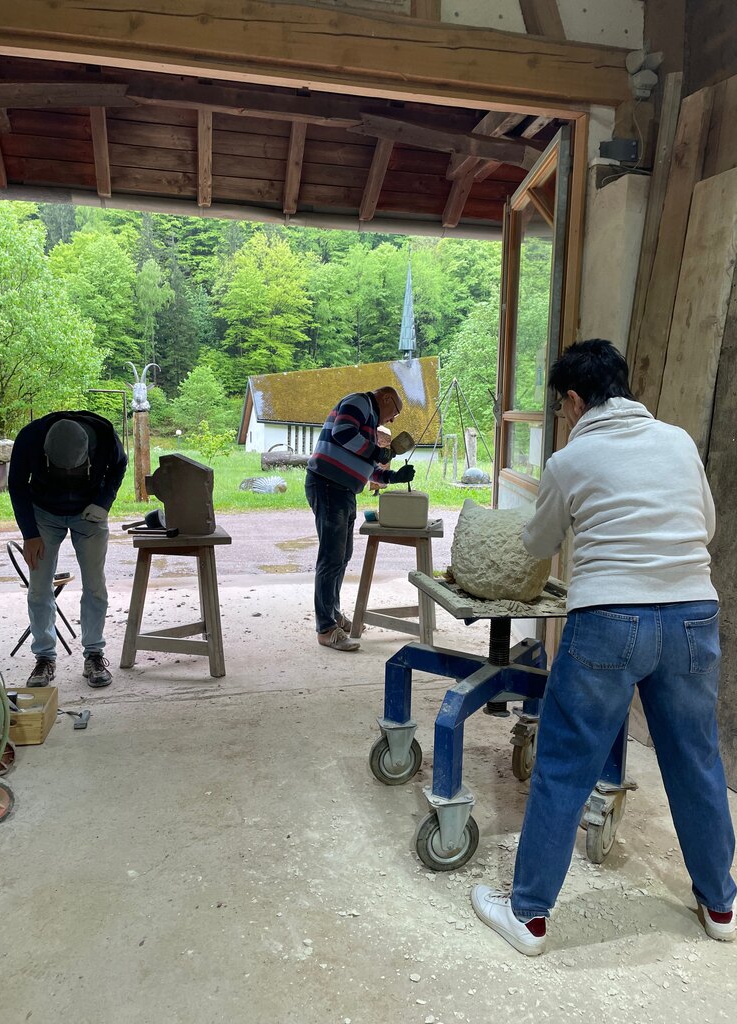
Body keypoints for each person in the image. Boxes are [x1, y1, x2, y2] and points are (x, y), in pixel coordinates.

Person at [471, 339, 736, 956]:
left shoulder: (571, 458)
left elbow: (538, 544)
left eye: (561, 407)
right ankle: (721, 903)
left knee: (566, 762)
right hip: (692, 616)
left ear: (573, 399)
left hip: (609, 619)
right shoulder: (678, 442)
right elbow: (707, 526)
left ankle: (529, 917)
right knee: (696, 760)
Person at [8, 411, 128, 689]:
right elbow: (17, 484)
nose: (68, 476)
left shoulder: (105, 437)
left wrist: (104, 502)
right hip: (44, 513)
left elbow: (119, 466)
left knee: (95, 585)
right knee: (39, 587)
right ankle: (44, 657)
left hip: (89, 512)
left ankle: (94, 655)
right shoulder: (30, 438)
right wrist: (30, 534)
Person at [305, 385, 415, 652]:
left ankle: (333, 614)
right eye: (395, 413)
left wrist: (392, 476)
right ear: (386, 398)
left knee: (342, 556)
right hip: (328, 484)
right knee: (331, 557)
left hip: (342, 489)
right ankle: (325, 628)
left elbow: (367, 467)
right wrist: (378, 452)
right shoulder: (359, 403)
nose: (392, 420)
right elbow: (342, 433)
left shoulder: (368, 420)